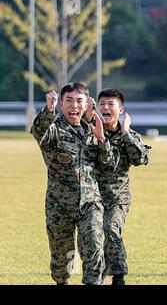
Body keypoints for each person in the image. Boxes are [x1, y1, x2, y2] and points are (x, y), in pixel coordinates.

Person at [31, 82, 118, 285]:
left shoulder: (94, 129)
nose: (74, 106)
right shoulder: (54, 130)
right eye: (68, 101)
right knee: (62, 259)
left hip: (90, 204)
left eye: (79, 101)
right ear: (61, 104)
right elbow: (39, 131)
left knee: (94, 249)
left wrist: (102, 140)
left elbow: (110, 165)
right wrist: (48, 109)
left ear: (87, 104)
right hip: (59, 206)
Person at [95, 88, 151, 285]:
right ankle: (97, 275)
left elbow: (141, 159)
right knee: (93, 235)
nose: (106, 108)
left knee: (110, 229)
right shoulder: (89, 132)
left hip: (117, 197)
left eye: (111, 104)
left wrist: (126, 133)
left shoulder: (128, 135)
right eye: (102, 104)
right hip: (92, 196)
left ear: (121, 110)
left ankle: (118, 276)